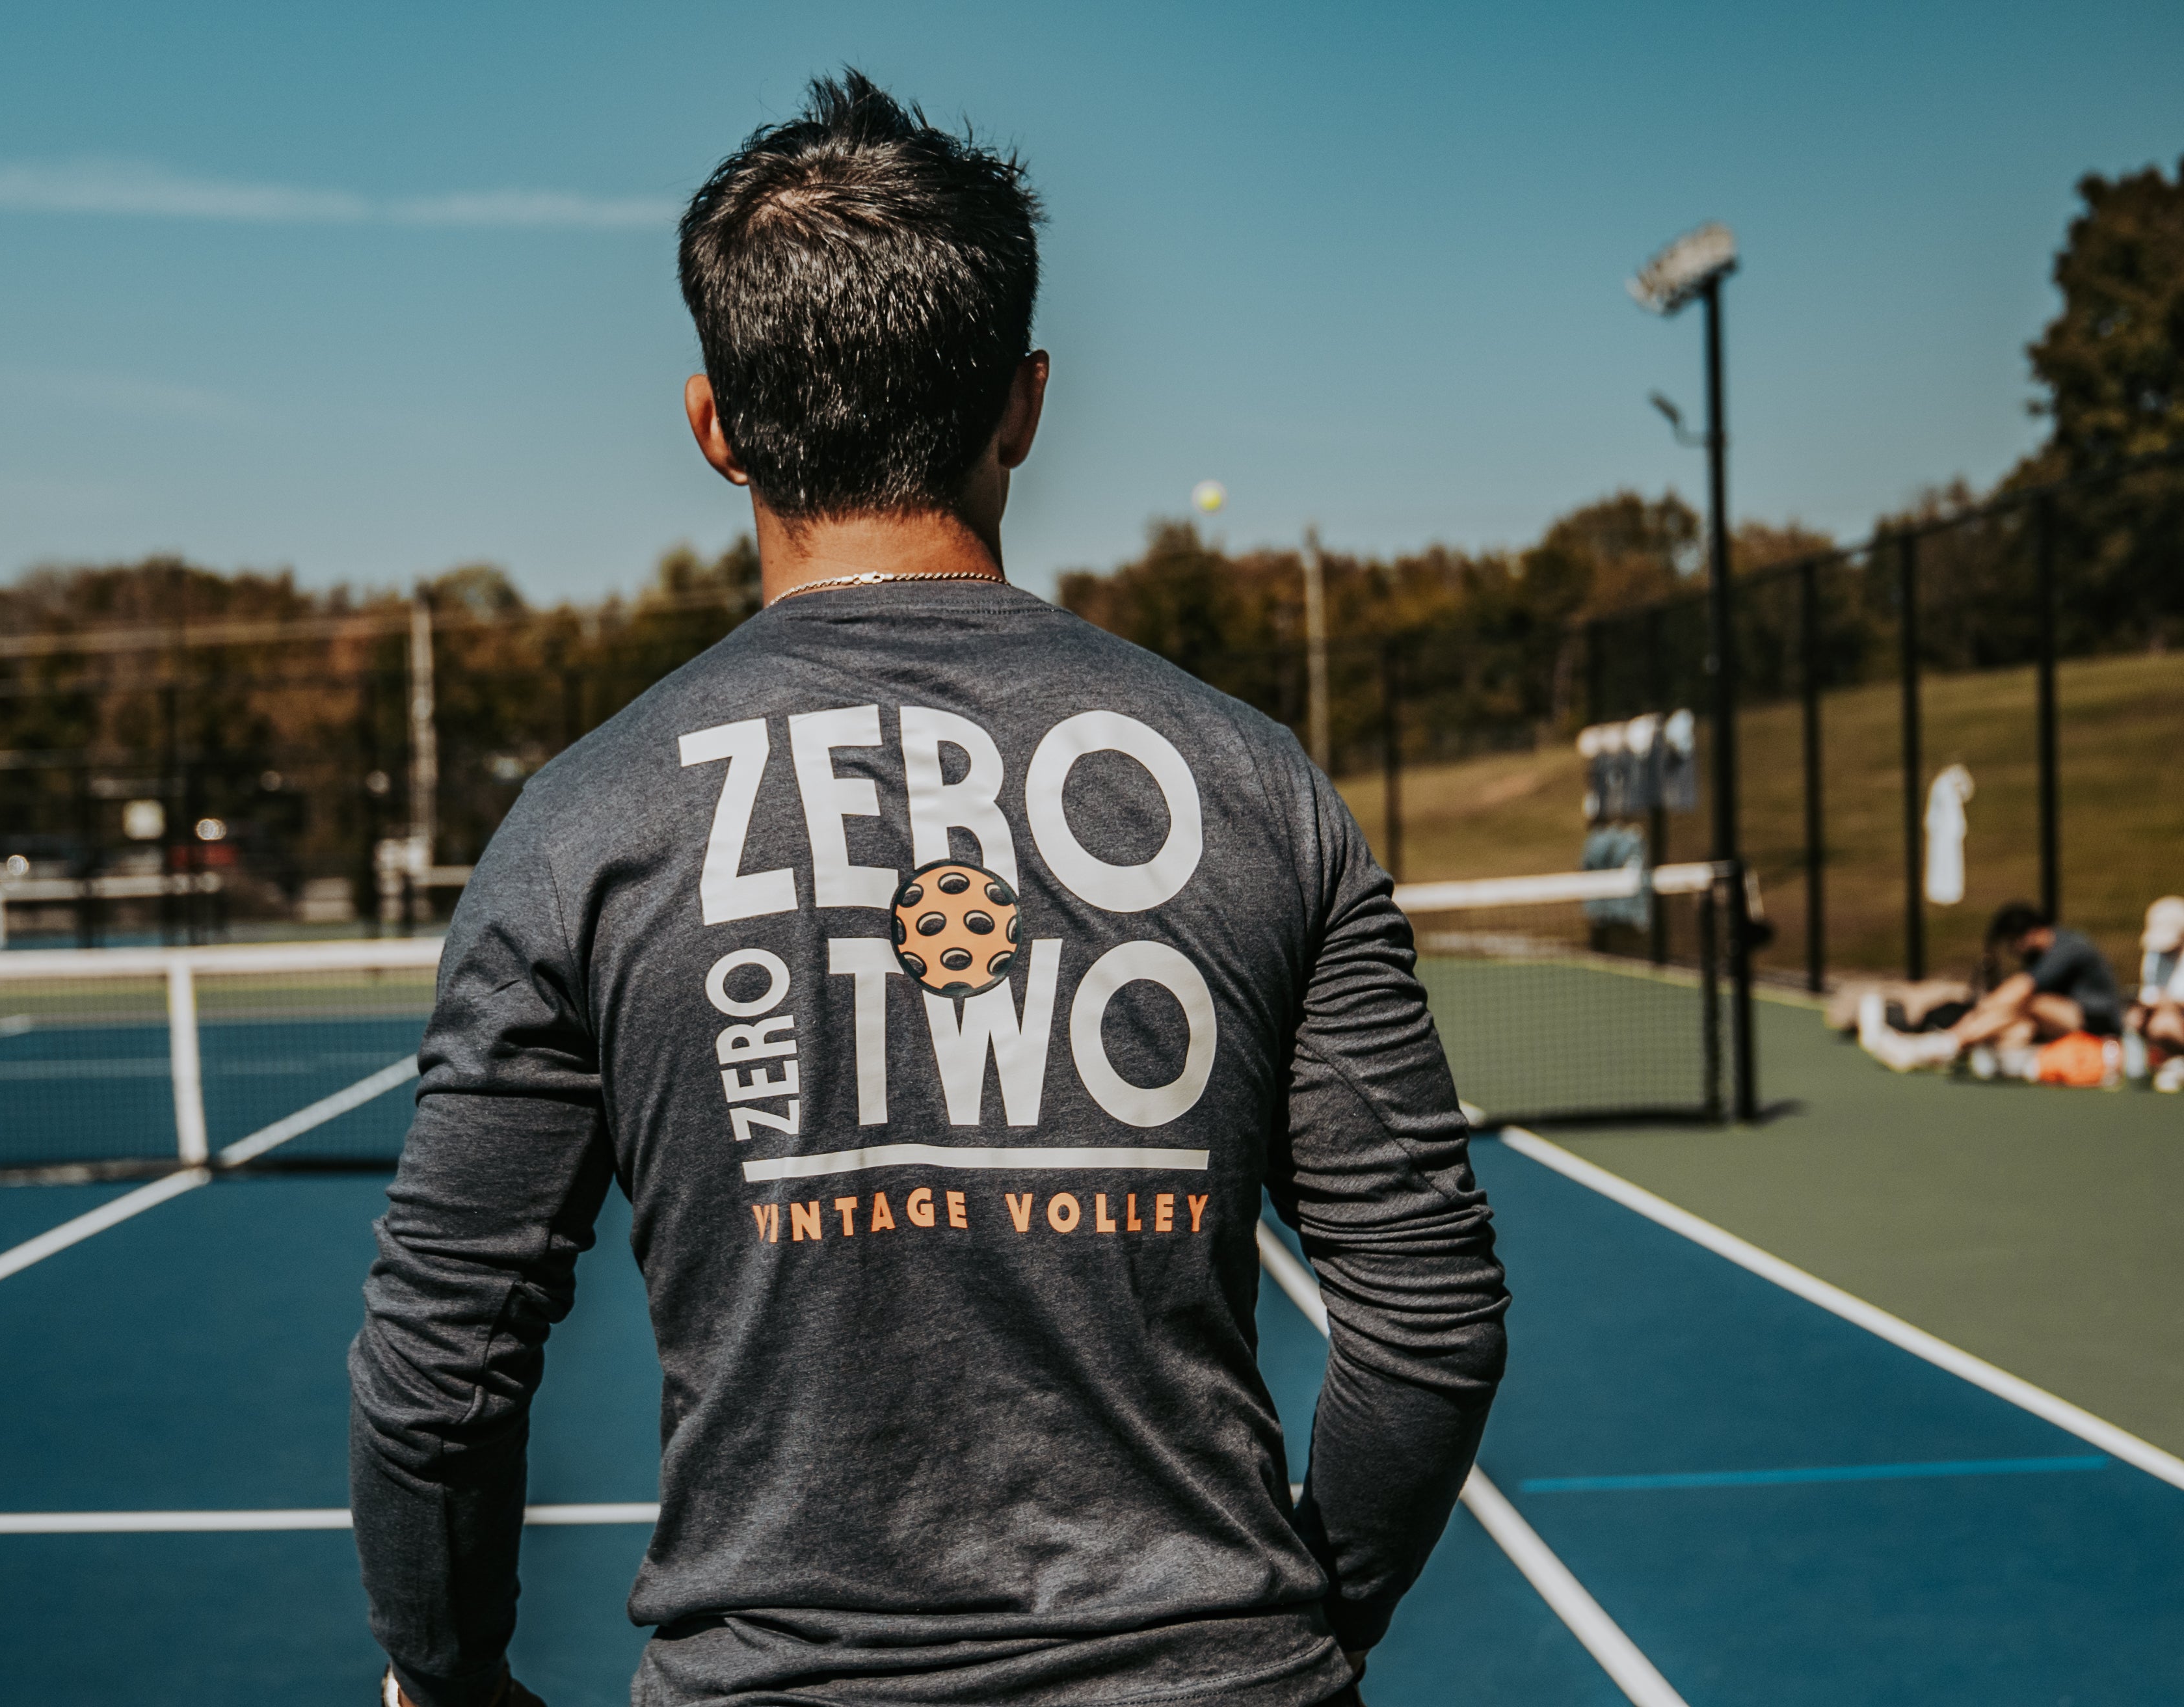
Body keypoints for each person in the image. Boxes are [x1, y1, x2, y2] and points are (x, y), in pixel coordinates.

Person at [349, 72, 1508, 1707]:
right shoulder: (1259, 783)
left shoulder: (581, 824)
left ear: (715, 425)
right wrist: (1300, 1631)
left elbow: (436, 1375)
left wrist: (444, 1673)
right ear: (1023, 404)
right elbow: (1431, 1317)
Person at [1863, 900, 2124, 1078]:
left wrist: (1980, 1010)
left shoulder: (2068, 946)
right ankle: (1955, 1050)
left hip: (2098, 1025)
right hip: (2061, 1026)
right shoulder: (2044, 952)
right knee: (2019, 1027)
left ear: (2030, 934)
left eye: (2013, 943)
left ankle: (1941, 1045)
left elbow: (2023, 988)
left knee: (2027, 1003)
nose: (2012, 950)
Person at [2129, 896, 2184, 1091]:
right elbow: (2151, 991)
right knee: (2135, 1019)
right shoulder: (2154, 954)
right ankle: (2161, 1066)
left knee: (2164, 1025)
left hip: (2174, 1019)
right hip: (2167, 1014)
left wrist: (2168, 1003)